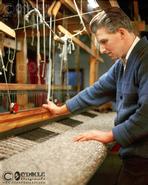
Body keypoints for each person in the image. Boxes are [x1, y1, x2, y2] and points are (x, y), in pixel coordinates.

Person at [43, 7, 148, 185]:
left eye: (104, 41)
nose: (101, 49)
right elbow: (96, 90)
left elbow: (147, 113)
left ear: (121, 33)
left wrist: (110, 135)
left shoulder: (145, 59)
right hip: (134, 158)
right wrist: (60, 110)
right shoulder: (123, 63)